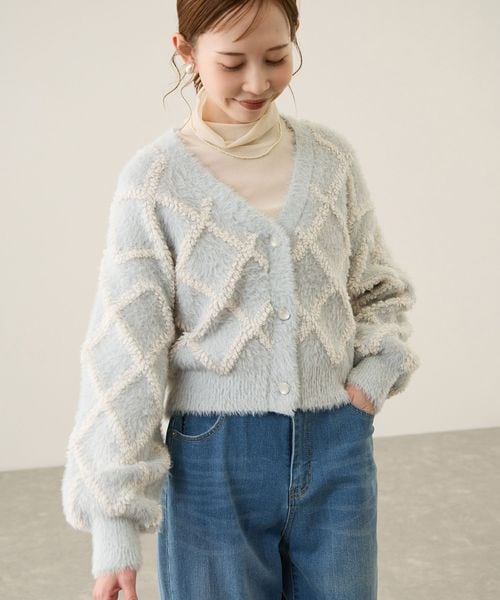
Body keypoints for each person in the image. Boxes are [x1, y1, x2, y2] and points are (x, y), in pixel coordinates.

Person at [61, 1, 420, 599]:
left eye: (277, 58)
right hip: (214, 461)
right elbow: (125, 354)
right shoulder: (154, 182)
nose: (258, 83)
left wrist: (372, 379)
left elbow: (379, 289)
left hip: (337, 444)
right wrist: (114, 528)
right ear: (185, 51)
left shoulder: (330, 160)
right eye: (232, 63)